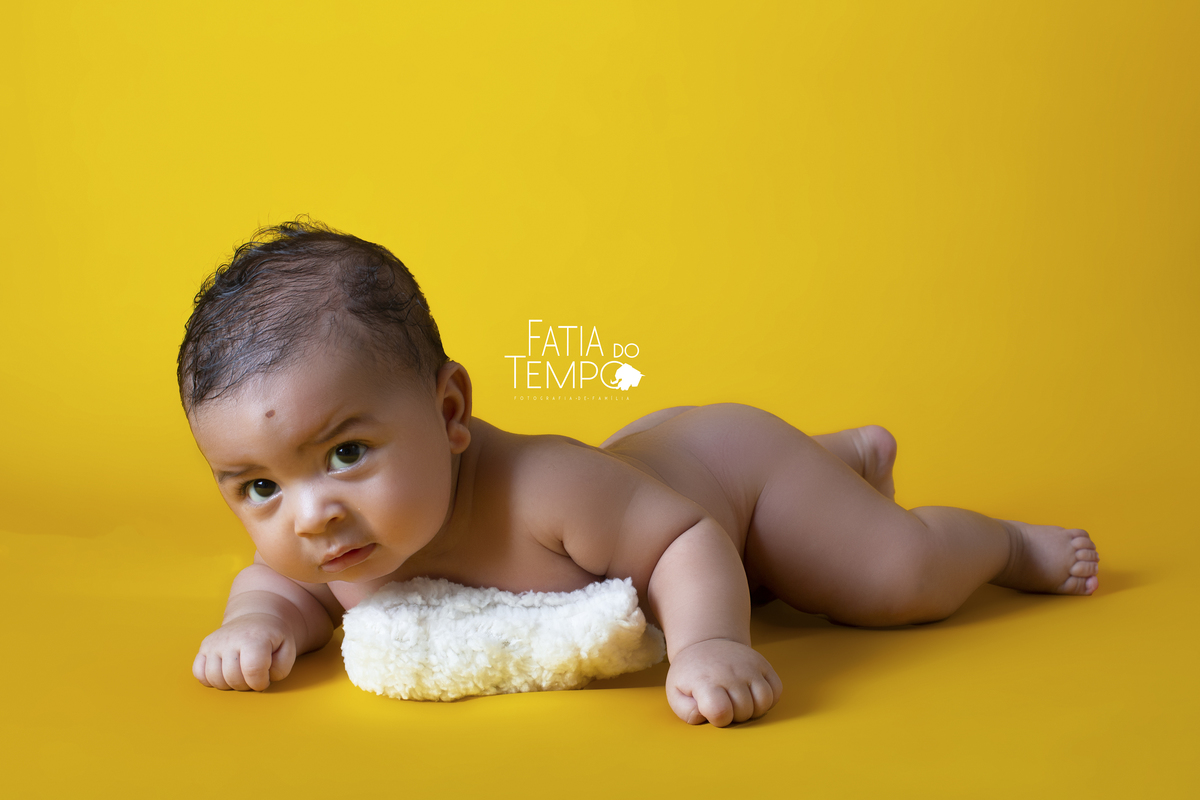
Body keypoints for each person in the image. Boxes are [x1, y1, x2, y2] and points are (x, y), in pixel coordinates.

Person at [181, 220, 1099, 727]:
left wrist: (707, 645)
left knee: (892, 579)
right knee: (772, 532)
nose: (309, 518)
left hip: (735, 479)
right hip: (655, 471)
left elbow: (687, 537)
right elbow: (274, 582)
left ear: (450, 414)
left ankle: (998, 543)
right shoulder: (335, 543)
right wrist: (256, 623)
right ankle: (844, 459)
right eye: (258, 486)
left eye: (346, 454)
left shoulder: (544, 493)